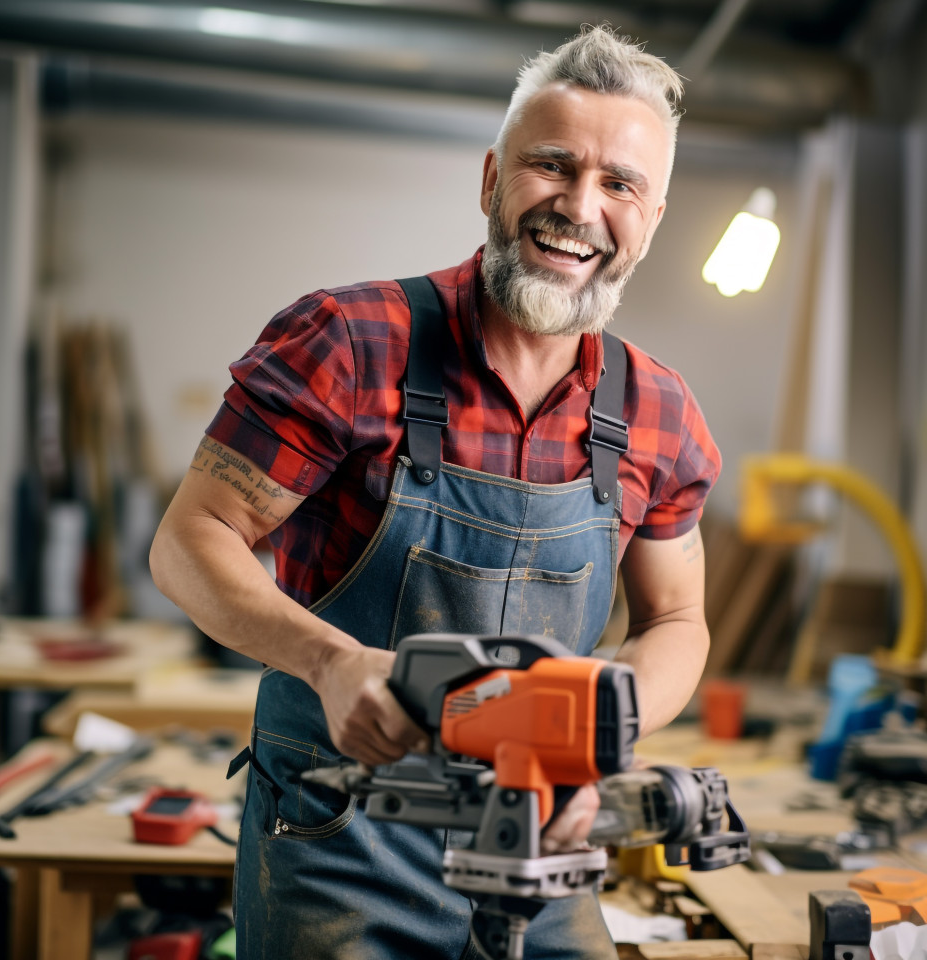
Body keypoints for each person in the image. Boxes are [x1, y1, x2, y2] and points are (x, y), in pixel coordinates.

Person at [150, 22, 721, 960]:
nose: (580, 207)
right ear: (493, 181)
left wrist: (592, 738)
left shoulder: (660, 410)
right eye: (552, 166)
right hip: (341, 841)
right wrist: (332, 663)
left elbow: (678, 623)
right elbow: (188, 543)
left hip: (542, 847)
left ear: (651, 220)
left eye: (620, 184)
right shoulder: (348, 340)